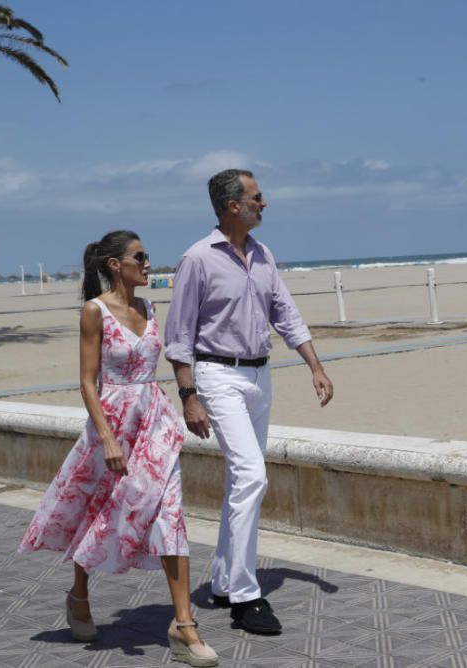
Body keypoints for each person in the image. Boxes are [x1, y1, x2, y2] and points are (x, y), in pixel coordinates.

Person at [19, 230, 218, 667]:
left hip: (155, 422)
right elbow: (87, 381)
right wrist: (107, 436)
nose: (148, 264)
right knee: (98, 510)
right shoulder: (94, 311)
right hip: (112, 423)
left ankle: (183, 625)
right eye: (140, 257)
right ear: (115, 264)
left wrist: (190, 401)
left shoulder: (150, 307)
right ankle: (79, 595)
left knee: (171, 515)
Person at [165, 169, 333, 636]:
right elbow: (178, 337)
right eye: (258, 197)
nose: (265, 204)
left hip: (260, 373)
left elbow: (286, 313)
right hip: (217, 375)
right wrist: (188, 395)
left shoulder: (263, 255)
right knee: (251, 476)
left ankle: (222, 581)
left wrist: (315, 366)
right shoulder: (197, 259)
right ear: (233, 205)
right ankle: (245, 596)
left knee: (242, 480)